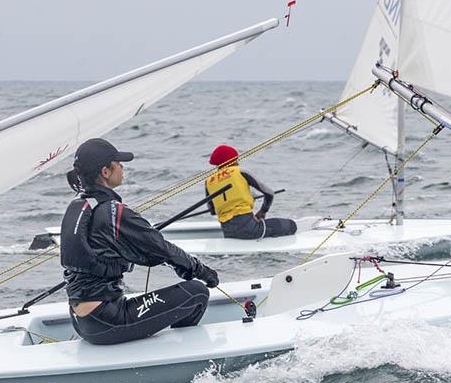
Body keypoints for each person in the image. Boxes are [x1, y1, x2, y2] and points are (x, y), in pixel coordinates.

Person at [61, 138, 219, 345]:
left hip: (82, 320)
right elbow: (162, 249)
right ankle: (181, 352)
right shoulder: (114, 212)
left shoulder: (80, 205)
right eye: (117, 163)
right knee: (197, 292)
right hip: (107, 320)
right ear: (105, 172)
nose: (122, 167)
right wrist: (202, 271)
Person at [205, 144, 297, 240]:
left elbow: (212, 210)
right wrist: (263, 211)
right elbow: (269, 193)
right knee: (291, 225)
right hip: (250, 229)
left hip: (228, 232)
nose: (238, 163)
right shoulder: (240, 171)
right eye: (236, 160)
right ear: (233, 160)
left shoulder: (208, 182)